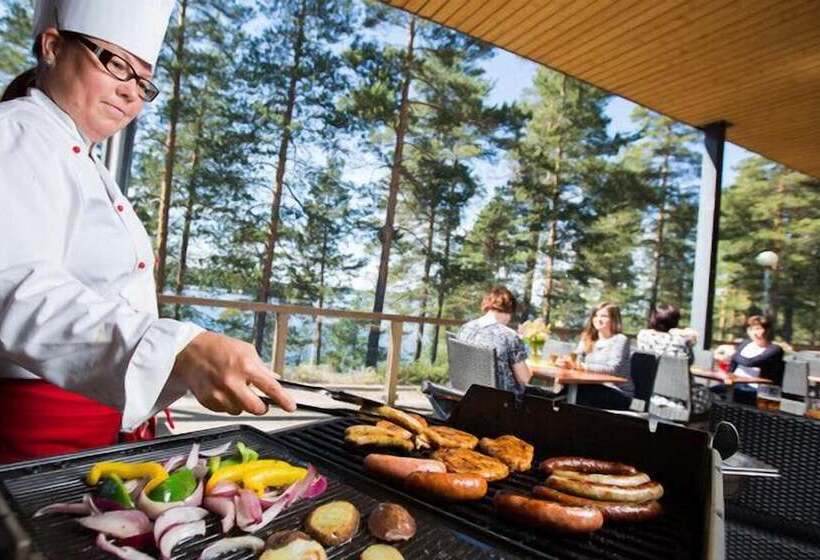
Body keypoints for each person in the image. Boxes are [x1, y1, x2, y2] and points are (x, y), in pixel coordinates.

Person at [0, 0, 295, 464]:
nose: (130, 94)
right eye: (117, 65)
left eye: (143, 82)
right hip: (35, 425)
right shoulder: (14, 134)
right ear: (53, 47)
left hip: (102, 419)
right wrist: (177, 349)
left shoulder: (84, 160)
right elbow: (16, 288)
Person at [456, 286, 532, 394]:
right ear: (510, 309)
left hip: (465, 395)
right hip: (500, 399)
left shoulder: (465, 328)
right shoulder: (509, 336)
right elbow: (525, 380)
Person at [571, 302, 632, 409]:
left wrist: (582, 366)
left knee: (579, 393)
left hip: (617, 392)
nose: (598, 319)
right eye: (596, 315)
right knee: (565, 389)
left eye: (603, 316)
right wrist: (566, 362)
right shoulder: (588, 338)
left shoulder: (620, 339)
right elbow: (576, 358)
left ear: (614, 320)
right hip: (591, 386)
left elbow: (613, 369)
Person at [729, 315, 784, 405]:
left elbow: (750, 362)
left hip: (755, 389)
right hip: (735, 384)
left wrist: (733, 354)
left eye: (758, 329)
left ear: (767, 330)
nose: (755, 332)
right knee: (710, 392)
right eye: (751, 329)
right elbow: (733, 364)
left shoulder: (774, 349)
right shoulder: (745, 344)